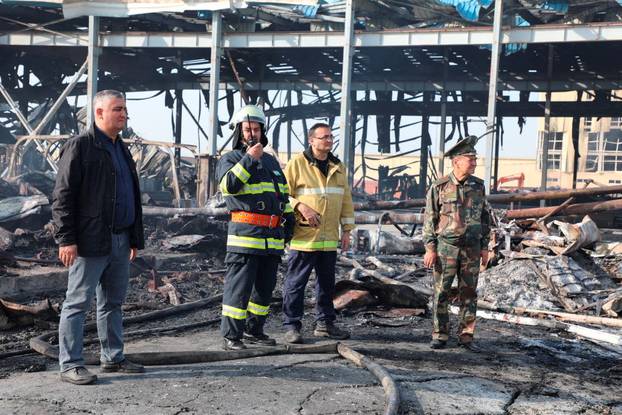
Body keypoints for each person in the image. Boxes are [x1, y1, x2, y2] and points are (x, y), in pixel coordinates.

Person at [52, 89, 145, 385]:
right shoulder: (81, 146)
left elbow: (131, 196)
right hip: (90, 241)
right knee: (77, 302)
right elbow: (62, 196)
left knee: (112, 303)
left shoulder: (121, 148)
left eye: (124, 109)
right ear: (99, 113)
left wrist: (133, 238)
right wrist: (66, 239)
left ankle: (113, 357)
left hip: (119, 240)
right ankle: (70, 364)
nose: (124, 114)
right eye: (117, 109)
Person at [217, 104, 294, 351]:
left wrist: (289, 224)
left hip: (271, 239)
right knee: (238, 291)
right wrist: (250, 158)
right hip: (245, 238)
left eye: (256, 129)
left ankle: (254, 330)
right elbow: (229, 187)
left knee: (263, 291)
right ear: (239, 132)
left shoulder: (271, 162)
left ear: (263, 131)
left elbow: (283, 195)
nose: (252, 133)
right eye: (248, 129)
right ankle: (232, 336)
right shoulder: (230, 159)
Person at [282, 122, 355, 344]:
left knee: (326, 284)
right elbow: (281, 194)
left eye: (331, 137)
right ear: (311, 141)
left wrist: (347, 230)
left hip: (328, 238)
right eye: (324, 137)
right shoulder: (297, 164)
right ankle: (292, 326)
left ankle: (325, 324)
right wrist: (300, 206)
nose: (329, 140)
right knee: (295, 284)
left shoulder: (338, 167)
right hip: (304, 238)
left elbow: (345, 200)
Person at [422, 135, 491, 351]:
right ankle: (440, 334)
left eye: (474, 158)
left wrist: (486, 247)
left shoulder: (478, 186)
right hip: (446, 248)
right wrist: (430, 248)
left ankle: (466, 336)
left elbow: (485, 218)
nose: (474, 162)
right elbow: (429, 219)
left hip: (472, 248)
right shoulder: (440, 187)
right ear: (456, 161)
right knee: (441, 292)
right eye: (470, 159)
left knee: (469, 293)